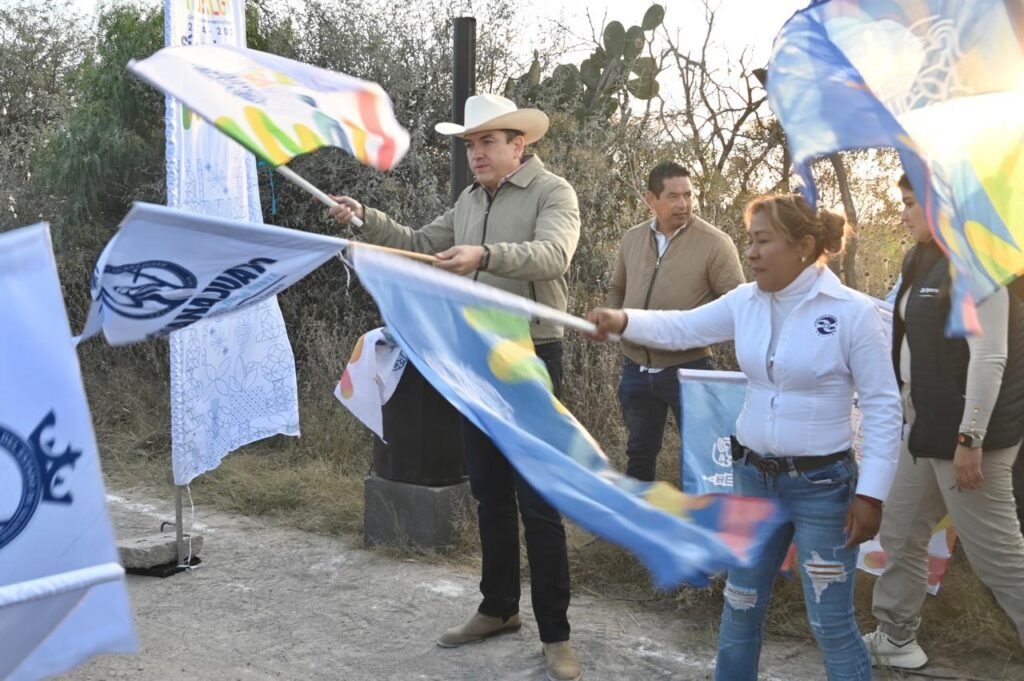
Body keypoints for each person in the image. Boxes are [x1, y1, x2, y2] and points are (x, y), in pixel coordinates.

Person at [587, 194, 902, 681]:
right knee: (740, 605)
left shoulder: (852, 313)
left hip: (824, 490)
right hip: (754, 479)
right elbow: (680, 327)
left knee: (830, 623)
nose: (750, 253)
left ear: (803, 246)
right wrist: (624, 319)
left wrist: (871, 493)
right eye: (749, 240)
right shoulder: (747, 301)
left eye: (762, 241)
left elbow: (883, 405)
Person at [329, 93, 582, 681]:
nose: (476, 154)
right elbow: (420, 244)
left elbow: (554, 255)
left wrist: (486, 254)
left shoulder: (554, 193)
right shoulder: (469, 201)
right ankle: (498, 609)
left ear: (520, 144)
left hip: (531, 355)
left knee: (538, 503)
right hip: (474, 355)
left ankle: (557, 635)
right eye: (470, 143)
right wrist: (366, 218)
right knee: (488, 490)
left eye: (487, 142)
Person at [862, 174, 1024, 669]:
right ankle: (895, 636)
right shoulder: (920, 257)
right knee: (902, 527)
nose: (905, 213)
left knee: (998, 559)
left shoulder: (981, 261)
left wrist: (971, 438)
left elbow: (989, 357)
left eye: (911, 204)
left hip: (969, 438)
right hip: (926, 428)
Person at [605, 161, 744, 481]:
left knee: (703, 457)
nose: (683, 204)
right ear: (650, 200)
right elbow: (617, 287)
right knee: (639, 452)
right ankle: (639, 524)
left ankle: (703, 526)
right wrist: (613, 327)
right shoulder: (632, 238)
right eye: (673, 196)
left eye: (688, 195)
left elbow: (739, 304)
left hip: (690, 369)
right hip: (636, 367)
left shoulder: (715, 243)